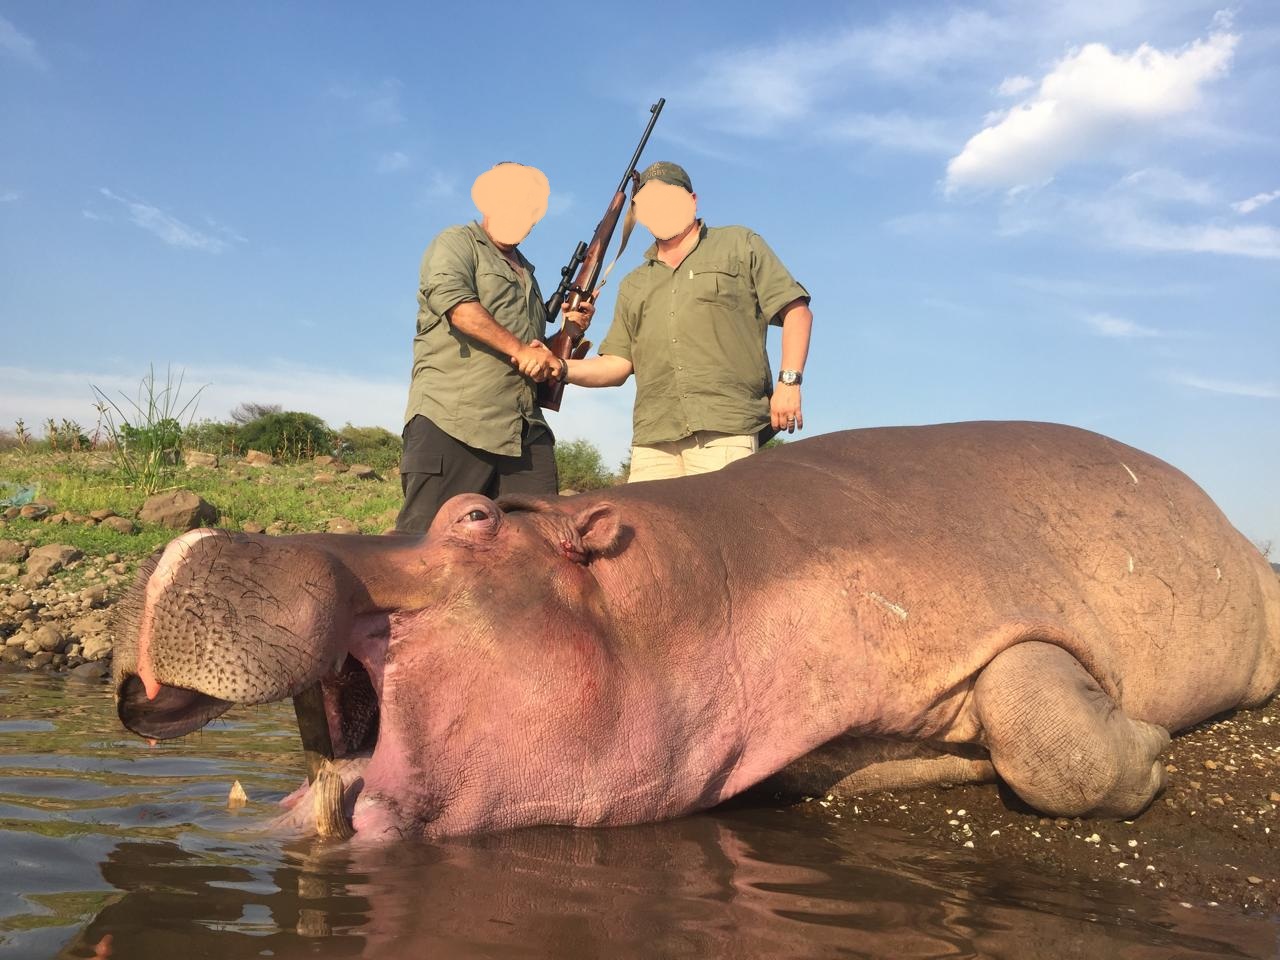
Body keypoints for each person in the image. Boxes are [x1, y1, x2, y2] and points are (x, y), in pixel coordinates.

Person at [550, 161, 812, 482]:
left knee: (719, 516)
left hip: (725, 430)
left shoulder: (739, 244)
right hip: (652, 442)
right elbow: (617, 364)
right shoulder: (633, 284)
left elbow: (796, 311)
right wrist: (558, 367)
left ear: (692, 200)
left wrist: (789, 383)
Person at [394, 161, 595, 533]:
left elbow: (535, 352)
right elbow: (458, 307)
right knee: (427, 546)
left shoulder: (528, 274)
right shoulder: (456, 243)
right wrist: (521, 350)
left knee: (543, 543)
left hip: (524, 431)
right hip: (453, 421)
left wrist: (569, 330)